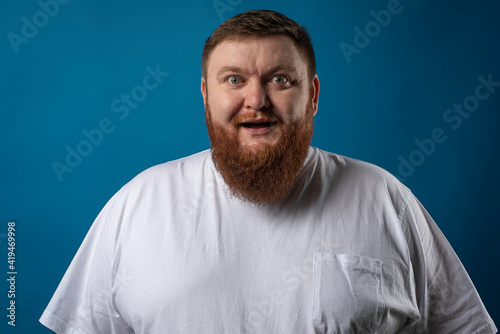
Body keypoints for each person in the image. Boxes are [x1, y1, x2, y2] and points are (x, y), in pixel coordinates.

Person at [40, 9, 497, 334]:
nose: (256, 100)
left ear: (312, 95)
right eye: (234, 79)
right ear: (205, 94)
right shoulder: (137, 204)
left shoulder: (385, 199)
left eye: (280, 79)